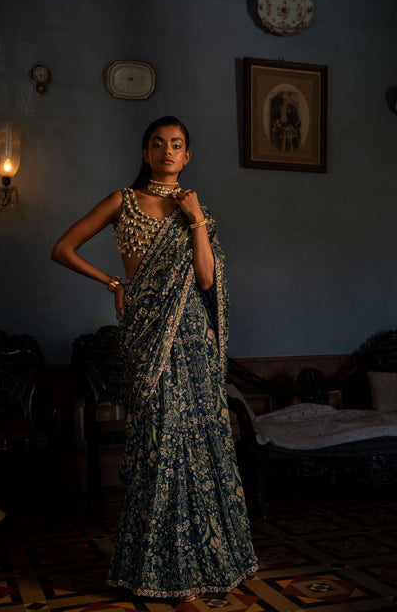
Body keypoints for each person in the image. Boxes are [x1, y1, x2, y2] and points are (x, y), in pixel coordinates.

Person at [51, 116, 258, 600]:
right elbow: (62, 249)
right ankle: (163, 572)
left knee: (200, 445)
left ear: (187, 156)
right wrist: (113, 283)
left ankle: (206, 562)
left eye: (177, 145)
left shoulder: (196, 211)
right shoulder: (121, 201)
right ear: (145, 153)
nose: (168, 151)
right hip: (147, 338)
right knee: (160, 445)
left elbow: (205, 280)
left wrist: (196, 217)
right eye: (159, 143)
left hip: (194, 339)